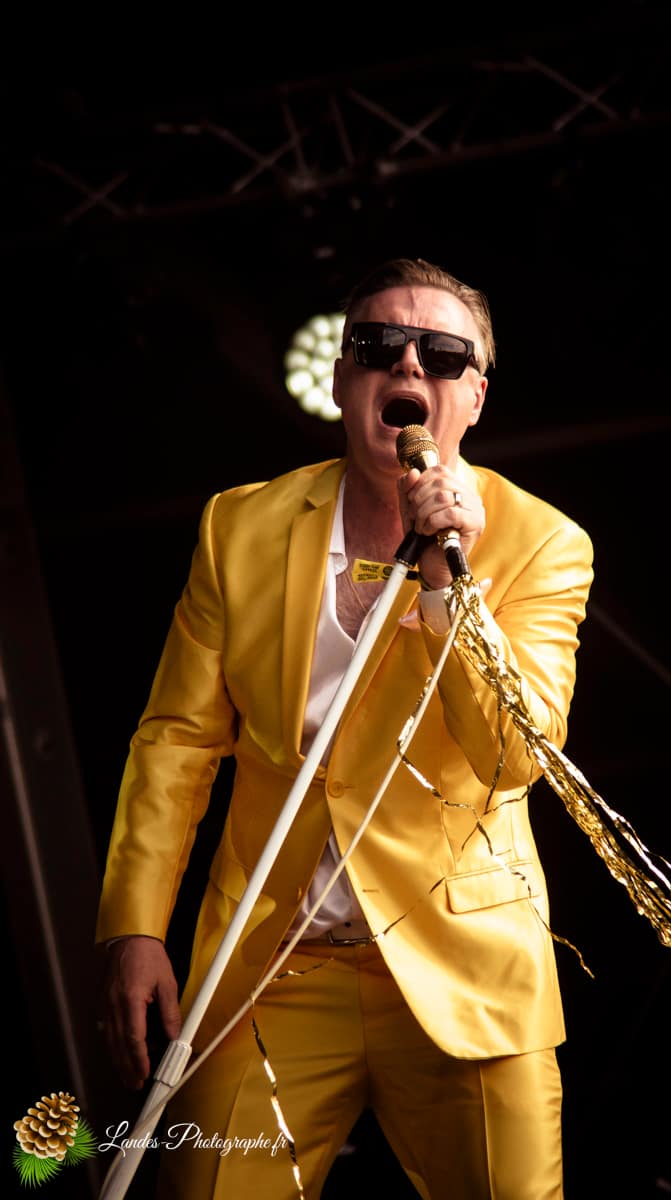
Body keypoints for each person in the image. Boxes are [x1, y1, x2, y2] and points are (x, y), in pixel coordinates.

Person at [95, 256, 594, 1199]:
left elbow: (511, 757)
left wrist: (449, 584)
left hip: (463, 968)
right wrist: (134, 928)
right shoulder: (237, 528)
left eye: (440, 354)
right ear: (339, 378)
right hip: (271, 969)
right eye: (378, 344)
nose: (407, 365)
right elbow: (176, 741)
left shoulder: (543, 543)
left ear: (474, 397)